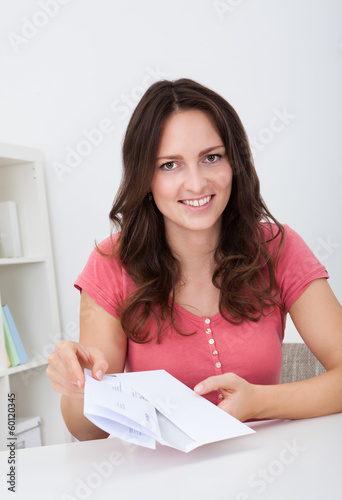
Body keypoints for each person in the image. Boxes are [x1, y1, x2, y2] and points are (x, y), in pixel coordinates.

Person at [47, 78, 342, 441]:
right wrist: (76, 383)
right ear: (146, 178)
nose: (197, 183)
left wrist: (260, 402)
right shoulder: (111, 263)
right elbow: (88, 432)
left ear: (235, 163)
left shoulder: (278, 247)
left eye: (211, 157)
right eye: (170, 165)